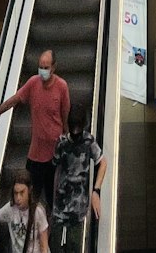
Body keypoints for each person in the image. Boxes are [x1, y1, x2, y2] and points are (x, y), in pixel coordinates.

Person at [0, 50, 69, 211]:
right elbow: (12, 101)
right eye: (40, 67)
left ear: (54, 67)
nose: (43, 71)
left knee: (52, 196)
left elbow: (65, 116)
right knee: (31, 195)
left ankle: (49, 228)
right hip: (36, 153)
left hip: (54, 153)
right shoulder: (33, 83)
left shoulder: (61, 87)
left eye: (46, 67)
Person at [51, 108, 107, 253]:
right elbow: (55, 168)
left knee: (74, 246)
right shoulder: (62, 142)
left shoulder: (88, 141)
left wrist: (96, 191)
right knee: (55, 245)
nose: (76, 135)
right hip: (61, 202)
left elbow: (103, 163)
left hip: (78, 205)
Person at [0, 171, 49, 253]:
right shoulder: (10, 208)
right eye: (15, 193)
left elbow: (44, 244)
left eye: (22, 193)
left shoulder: (38, 211)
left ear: (29, 190)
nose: (18, 198)